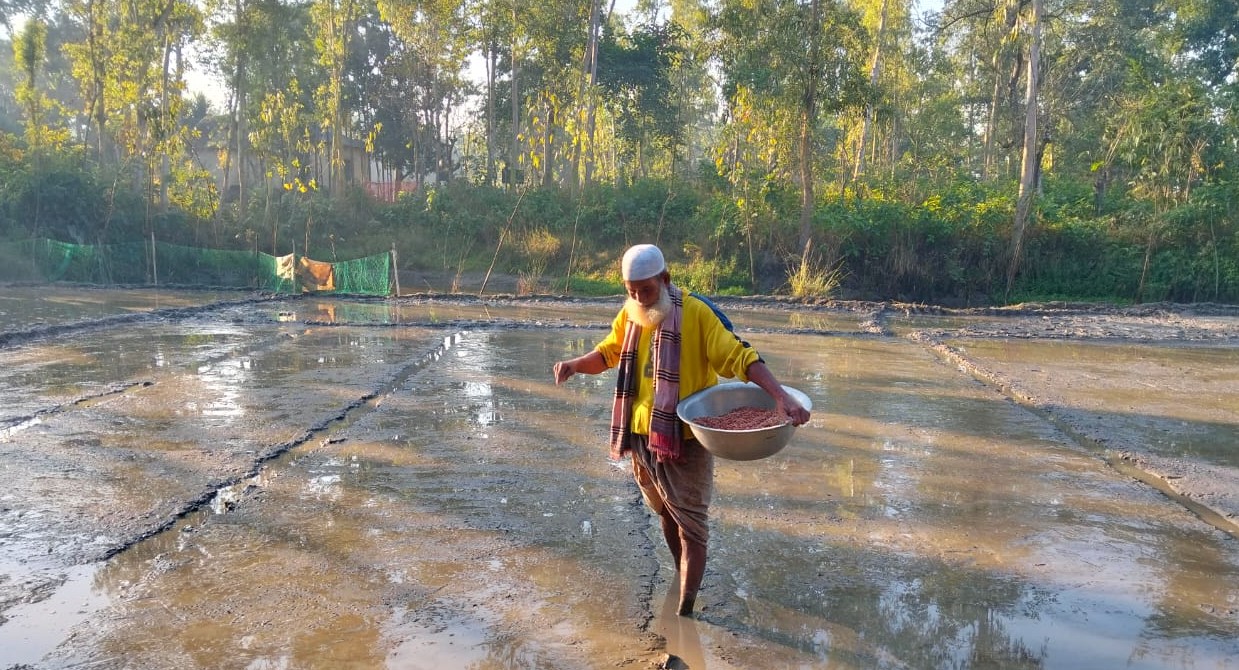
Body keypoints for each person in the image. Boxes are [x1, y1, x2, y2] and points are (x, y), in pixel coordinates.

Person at [552, 243, 810, 616]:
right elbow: (608, 352)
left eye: (647, 290)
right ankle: (681, 575)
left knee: (692, 527)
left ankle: (685, 611)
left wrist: (780, 396)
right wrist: (575, 364)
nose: (639, 297)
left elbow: (740, 356)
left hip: (685, 440)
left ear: (665, 279)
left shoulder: (696, 315)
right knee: (666, 515)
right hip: (642, 437)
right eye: (631, 290)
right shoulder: (631, 314)